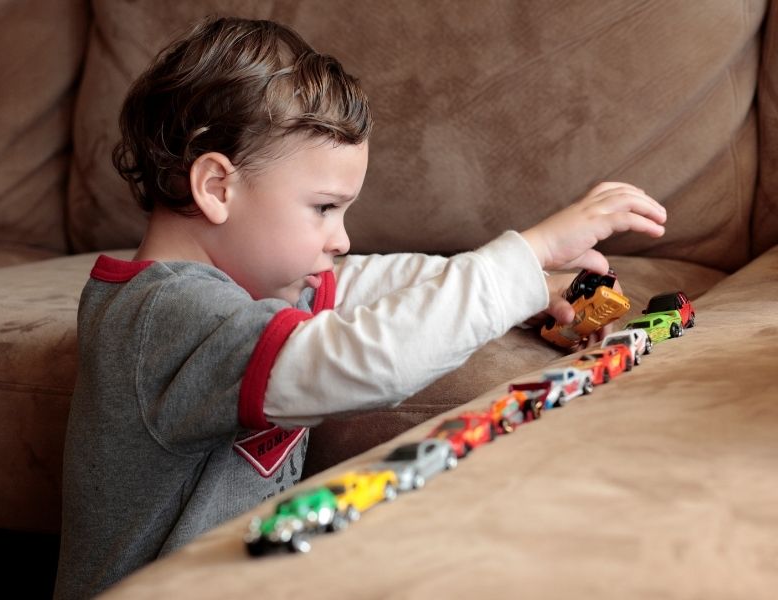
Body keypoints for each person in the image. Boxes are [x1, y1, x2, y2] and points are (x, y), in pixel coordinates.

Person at [54, 16, 667, 599]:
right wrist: (526, 253)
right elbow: (365, 361)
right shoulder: (165, 316)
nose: (341, 238)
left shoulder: (251, 289)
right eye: (323, 207)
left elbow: (363, 282)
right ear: (217, 187)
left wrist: (532, 287)